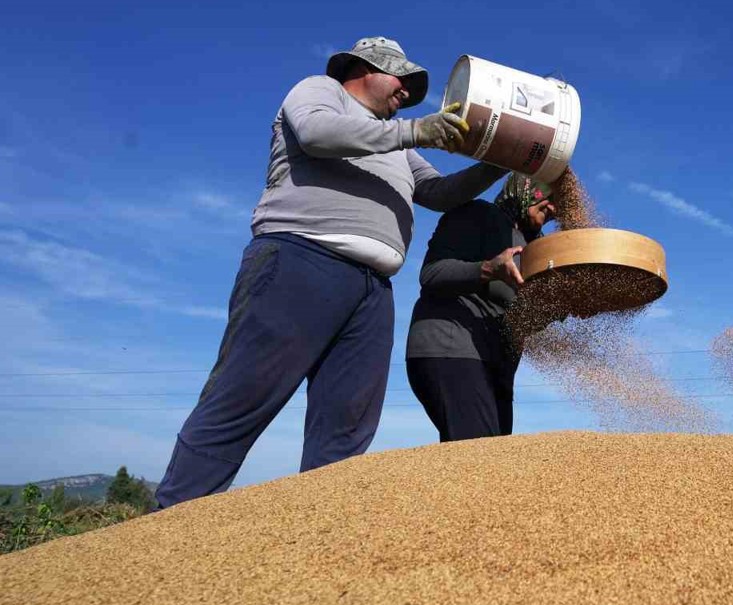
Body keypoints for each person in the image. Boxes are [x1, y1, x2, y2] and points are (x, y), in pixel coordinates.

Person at [154, 37, 509, 509]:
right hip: (300, 260)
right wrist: (414, 131)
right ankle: (172, 517)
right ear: (365, 69)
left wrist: (499, 161)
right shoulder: (321, 92)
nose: (406, 92)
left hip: (373, 290)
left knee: (347, 421)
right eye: (401, 79)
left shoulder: (397, 144)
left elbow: (441, 193)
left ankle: (319, 528)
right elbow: (317, 134)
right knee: (243, 396)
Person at [405, 175, 557, 441]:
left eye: (559, 202)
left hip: (497, 366)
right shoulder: (479, 214)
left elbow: (523, 319)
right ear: (528, 188)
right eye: (549, 196)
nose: (554, 208)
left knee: (494, 457)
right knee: (479, 453)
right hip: (453, 350)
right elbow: (432, 274)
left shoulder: (537, 249)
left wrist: (565, 307)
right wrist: (489, 269)